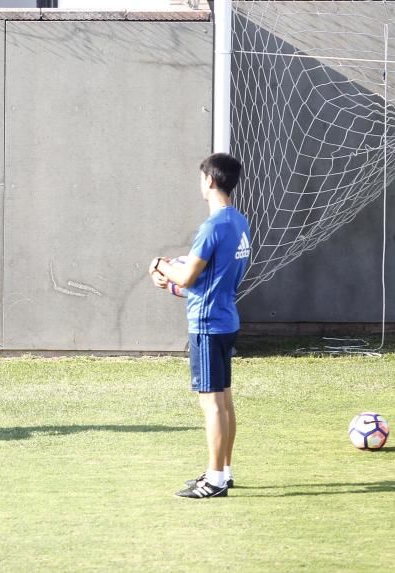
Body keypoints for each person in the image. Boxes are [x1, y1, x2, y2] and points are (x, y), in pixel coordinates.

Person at [149, 153, 250, 498]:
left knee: (212, 404)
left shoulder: (212, 226)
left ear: (209, 181)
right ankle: (223, 469)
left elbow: (190, 274)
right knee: (224, 400)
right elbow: (208, 281)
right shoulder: (239, 221)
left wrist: (161, 265)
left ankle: (215, 479)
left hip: (207, 325)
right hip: (225, 318)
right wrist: (175, 283)